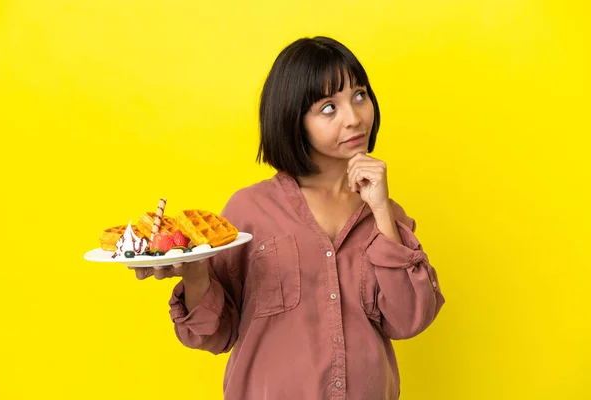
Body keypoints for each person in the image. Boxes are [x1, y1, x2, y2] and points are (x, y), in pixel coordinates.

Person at [132, 36, 445, 400]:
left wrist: (381, 211)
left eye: (360, 95)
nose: (355, 117)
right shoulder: (250, 210)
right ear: (293, 119)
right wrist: (197, 274)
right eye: (329, 108)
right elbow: (214, 334)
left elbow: (410, 319)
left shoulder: (387, 216)